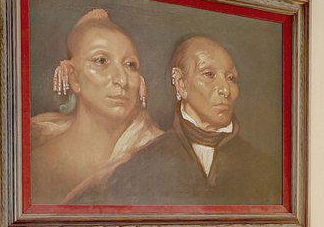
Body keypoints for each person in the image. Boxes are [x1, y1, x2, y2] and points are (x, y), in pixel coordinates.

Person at [96, 33, 279, 204]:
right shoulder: (139, 168)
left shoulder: (266, 170)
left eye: (231, 78)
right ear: (181, 83)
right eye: (209, 74)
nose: (225, 89)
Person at [27, 9, 163, 204]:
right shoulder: (34, 159)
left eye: (130, 65)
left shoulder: (160, 154)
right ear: (74, 77)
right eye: (101, 61)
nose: (122, 79)